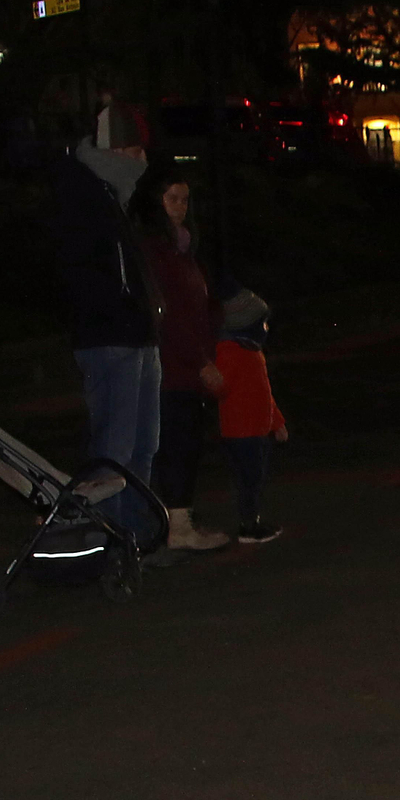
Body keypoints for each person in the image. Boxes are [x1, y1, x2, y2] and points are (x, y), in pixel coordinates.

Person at [51, 101, 163, 536]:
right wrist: (121, 309)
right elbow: (86, 271)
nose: (143, 162)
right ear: (118, 151)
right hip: (112, 337)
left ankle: (135, 539)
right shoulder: (86, 194)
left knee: (141, 447)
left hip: (133, 333)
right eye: (137, 152)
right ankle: (107, 541)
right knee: (115, 451)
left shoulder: (108, 194)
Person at [131, 164, 232, 553]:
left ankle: (177, 519)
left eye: (184, 199)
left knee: (185, 440)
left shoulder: (182, 247)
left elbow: (195, 304)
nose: (180, 207)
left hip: (187, 362)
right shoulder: (157, 250)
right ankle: (176, 523)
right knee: (178, 442)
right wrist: (199, 359)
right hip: (172, 366)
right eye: (172, 198)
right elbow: (169, 314)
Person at [212, 285, 287, 543]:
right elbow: (220, 387)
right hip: (241, 431)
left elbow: (264, 394)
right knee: (249, 479)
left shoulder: (251, 353)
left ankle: (252, 520)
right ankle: (248, 525)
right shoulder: (231, 353)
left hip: (256, 429)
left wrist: (276, 422)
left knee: (254, 478)